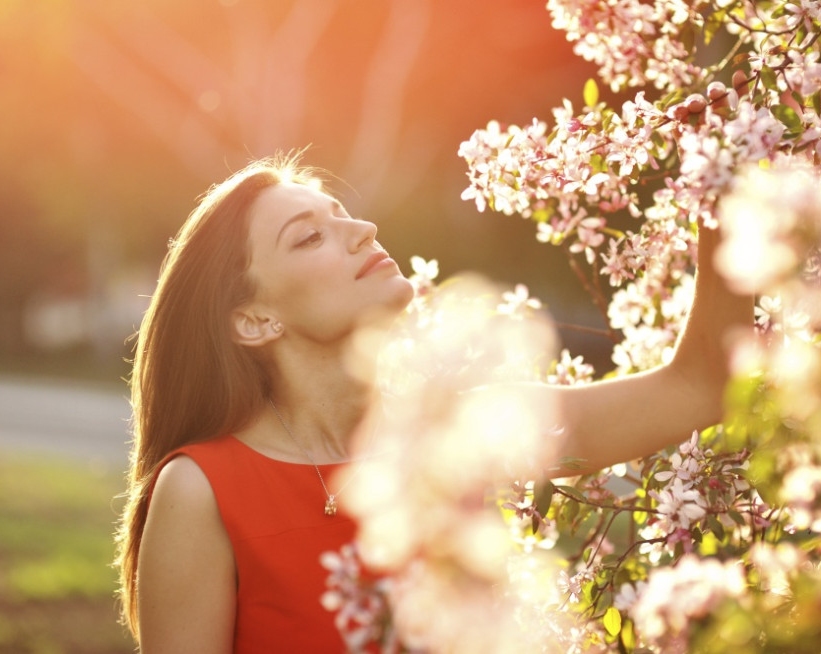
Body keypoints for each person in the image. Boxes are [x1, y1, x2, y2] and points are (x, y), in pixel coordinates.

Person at [115, 152, 752, 653]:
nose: (362, 230)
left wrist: (725, 184)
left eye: (345, 215)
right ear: (254, 319)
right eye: (310, 237)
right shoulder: (200, 491)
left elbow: (698, 386)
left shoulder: (462, 434)